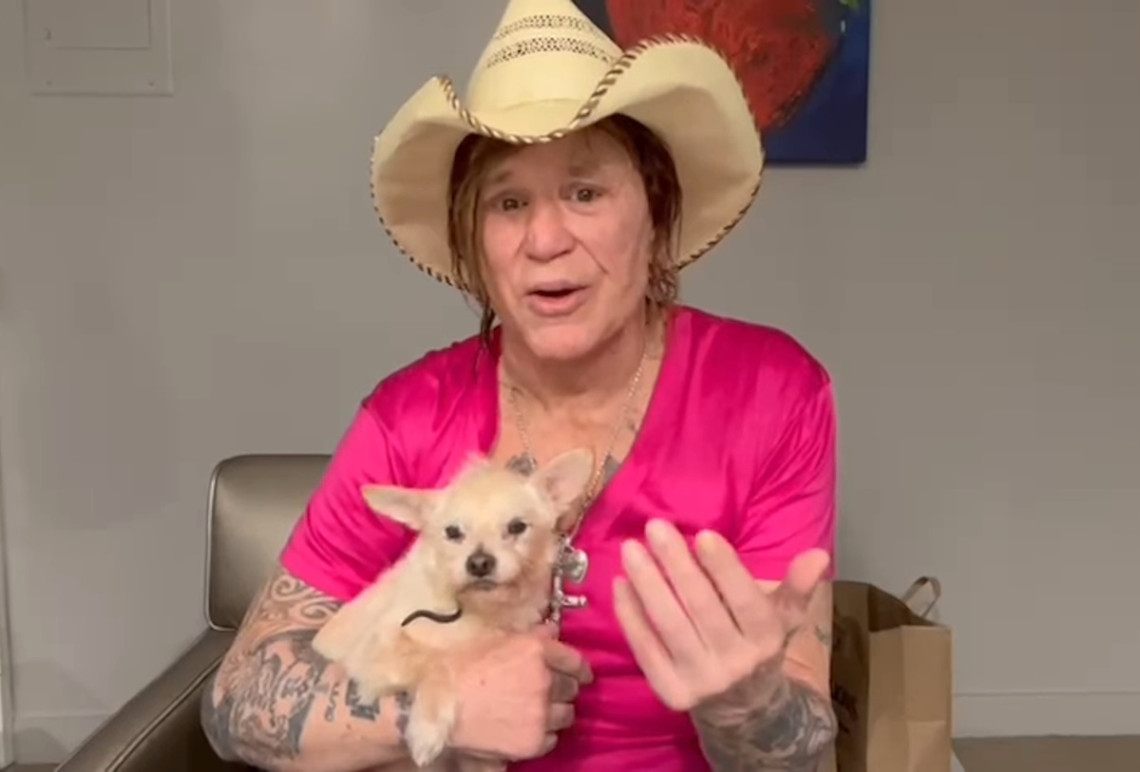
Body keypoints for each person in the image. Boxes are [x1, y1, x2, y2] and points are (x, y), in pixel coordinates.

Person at [200, 0, 839, 769]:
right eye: (509, 203)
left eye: (585, 192)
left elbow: (802, 757)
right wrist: (436, 707)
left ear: (656, 214)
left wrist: (748, 707)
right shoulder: (408, 419)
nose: (544, 239)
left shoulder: (770, 395)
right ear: (476, 244)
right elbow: (235, 701)